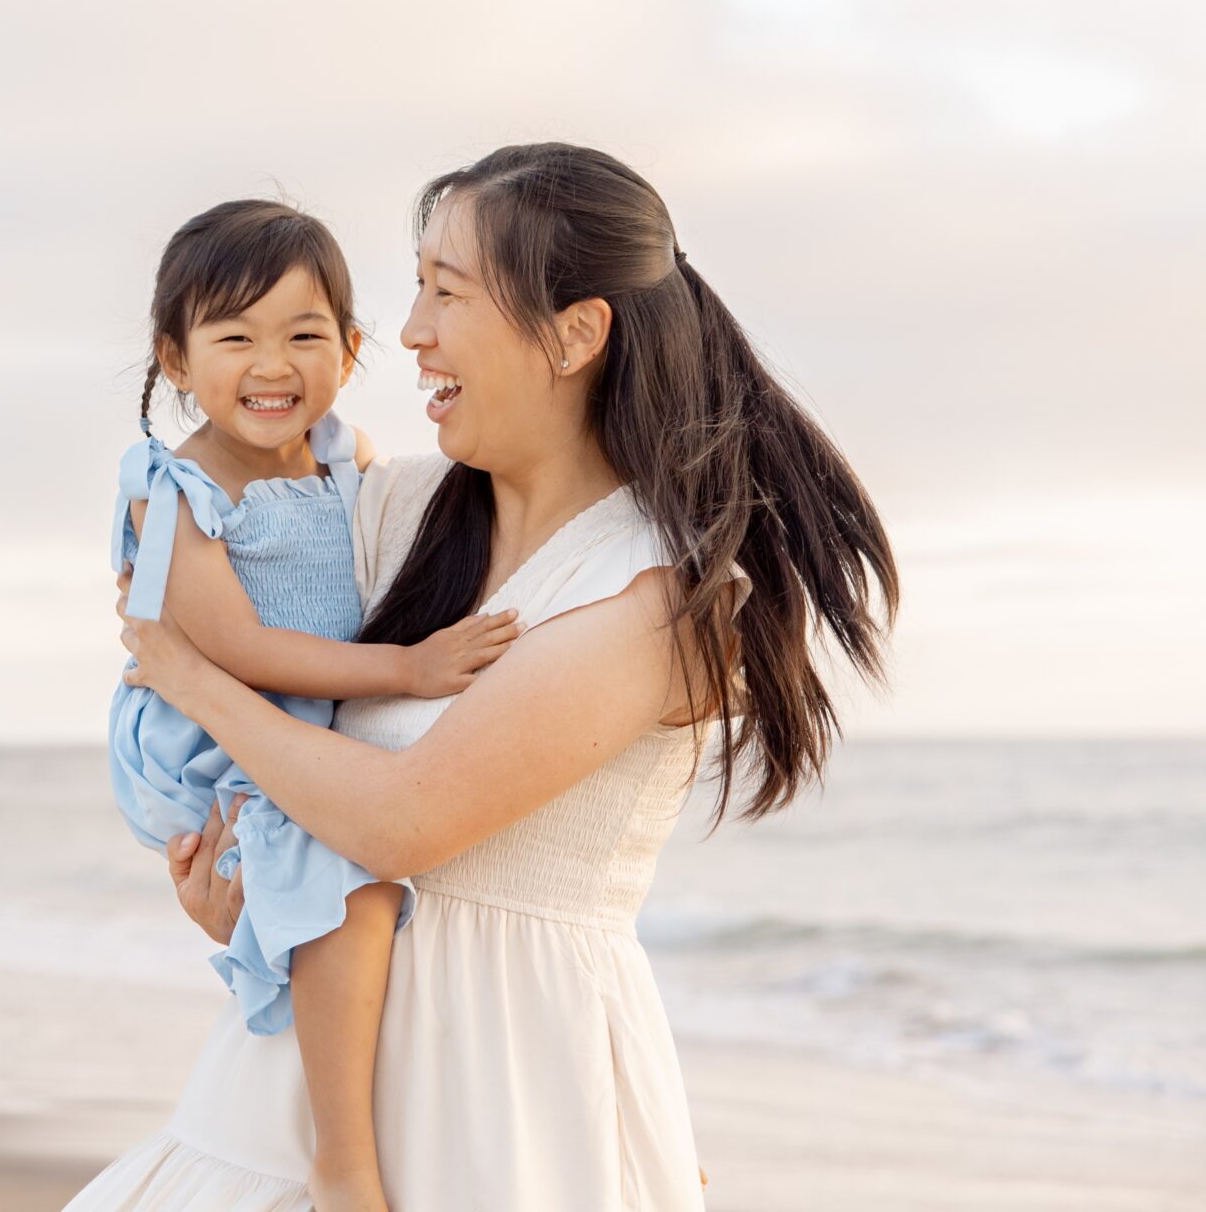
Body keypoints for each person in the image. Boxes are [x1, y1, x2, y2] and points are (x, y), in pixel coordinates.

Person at [79, 143, 898, 1212]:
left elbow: (400, 820)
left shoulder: (655, 599)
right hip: (307, 1086)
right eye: (415, 287)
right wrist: (242, 902)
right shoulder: (388, 512)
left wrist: (192, 679)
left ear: (573, 331)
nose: (410, 329)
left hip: (511, 1093)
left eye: (446, 291)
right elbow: (232, 628)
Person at [108, 198, 520, 1212]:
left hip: (300, 711)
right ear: (174, 357)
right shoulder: (173, 486)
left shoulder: (349, 457)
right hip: (206, 732)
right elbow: (232, 648)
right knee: (351, 877)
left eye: (303, 334)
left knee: (358, 855)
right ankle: (342, 1159)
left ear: (351, 346)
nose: (271, 363)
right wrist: (409, 671)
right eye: (233, 336)